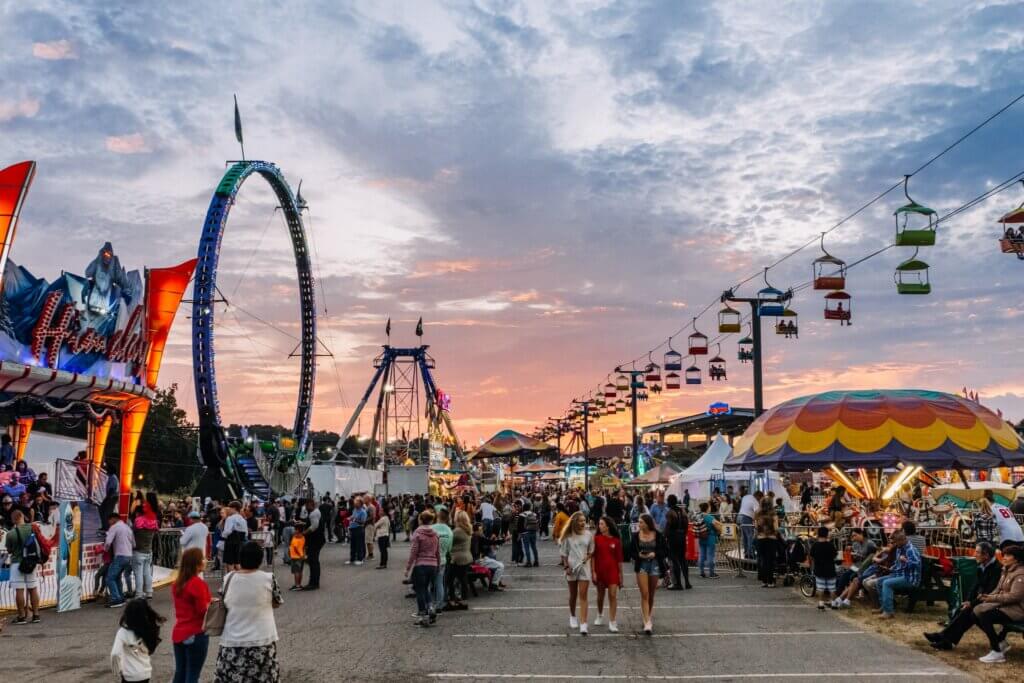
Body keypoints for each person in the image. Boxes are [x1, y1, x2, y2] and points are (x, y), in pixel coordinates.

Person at [214, 541, 282, 682]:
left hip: (232, 643)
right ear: (259, 558)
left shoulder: (228, 579)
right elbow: (276, 603)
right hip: (262, 642)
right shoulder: (269, 579)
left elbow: (225, 601)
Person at [924, 541, 1002, 650]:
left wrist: (972, 603)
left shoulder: (997, 569)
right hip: (983, 600)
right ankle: (947, 641)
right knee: (963, 609)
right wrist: (968, 601)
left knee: (967, 612)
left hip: (993, 601)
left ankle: (944, 638)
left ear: (986, 555)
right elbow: (975, 586)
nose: (974, 554)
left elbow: (989, 592)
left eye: (977, 552)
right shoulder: (982, 565)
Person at [171, 548, 212, 683]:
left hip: (179, 632)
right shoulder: (198, 584)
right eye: (203, 558)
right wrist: (210, 604)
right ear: (197, 563)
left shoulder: (177, 584)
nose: (205, 561)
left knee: (180, 672)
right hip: (196, 631)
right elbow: (202, 610)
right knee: (193, 674)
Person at [110, 598, 165, 683]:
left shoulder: (123, 632)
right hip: (145, 672)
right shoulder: (149, 628)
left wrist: (118, 669)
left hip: (130, 674)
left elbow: (115, 653)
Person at [632, 513, 668, 635]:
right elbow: (631, 551)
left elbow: (664, 550)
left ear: (647, 523)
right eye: (639, 521)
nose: (639, 524)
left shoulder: (658, 535)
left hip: (655, 564)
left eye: (641, 522)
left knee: (651, 594)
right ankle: (647, 621)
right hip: (641, 565)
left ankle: (648, 614)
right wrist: (639, 555)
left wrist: (655, 554)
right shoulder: (636, 536)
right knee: (645, 593)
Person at [4, 508, 41, 624]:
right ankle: (36, 615)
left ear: (13, 520)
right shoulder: (33, 528)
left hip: (17, 563)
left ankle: (21, 616)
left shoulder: (10, 534)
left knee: (19, 590)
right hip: (31, 561)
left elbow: (9, 551)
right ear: (22, 517)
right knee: (33, 588)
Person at [561, 511, 594, 635]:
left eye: (584, 521)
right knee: (573, 595)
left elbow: (591, 550)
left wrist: (588, 557)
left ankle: (583, 623)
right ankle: (572, 615)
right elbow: (564, 554)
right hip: (571, 567)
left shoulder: (589, 535)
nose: (582, 523)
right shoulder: (568, 536)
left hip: (584, 568)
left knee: (583, 595)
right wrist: (566, 566)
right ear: (574, 522)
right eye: (580, 521)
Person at [876, 530, 922, 619]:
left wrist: (905, 561)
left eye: (896, 542)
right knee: (879, 582)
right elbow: (898, 563)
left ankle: (889, 612)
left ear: (901, 540)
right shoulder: (899, 548)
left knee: (886, 583)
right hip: (900, 574)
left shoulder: (911, 550)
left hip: (910, 578)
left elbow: (916, 564)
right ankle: (884, 607)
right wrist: (892, 568)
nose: (894, 544)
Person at [406, 510, 440, 627]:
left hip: (421, 564)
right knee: (426, 588)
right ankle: (430, 607)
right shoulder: (435, 534)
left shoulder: (418, 533)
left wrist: (408, 568)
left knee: (420, 590)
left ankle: (423, 616)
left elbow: (414, 552)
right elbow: (437, 552)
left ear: (420, 519)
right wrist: (438, 565)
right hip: (433, 565)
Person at [591, 515, 623, 632]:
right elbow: (593, 557)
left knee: (613, 596)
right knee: (600, 596)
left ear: (608, 526)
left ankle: (612, 621)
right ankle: (599, 615)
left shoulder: (616, 541)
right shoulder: (596, 539)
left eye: (602, 524)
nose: (599, 526)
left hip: (613, 572)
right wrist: (593, 571)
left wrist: (621, 576)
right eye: (599, 524)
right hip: (600, 571)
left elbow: (619, 560)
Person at [132, 492, 160, 600]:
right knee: (147, 572)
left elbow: (134, 531)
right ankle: (149, 591)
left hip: (138, 550)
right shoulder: (154, 521)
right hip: (148, 550)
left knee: (138, 573)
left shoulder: (139, 521)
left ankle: (139, 593)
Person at [106, 512, 136, 608]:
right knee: (117, 577)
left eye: (109, 521)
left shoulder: (114, 527)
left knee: (110, 578)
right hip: (129, 556)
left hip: (120, 555)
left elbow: (108, 542)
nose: (109, 523)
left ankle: (116, 599)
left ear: (113, 519)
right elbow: (134, 544)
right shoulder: (128, 528)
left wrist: (105, 549)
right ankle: (121, 597)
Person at [447, 510, 473, 609]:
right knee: (463, 580)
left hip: (457, 559)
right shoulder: (468, 529)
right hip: (466, 557)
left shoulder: (457, 531)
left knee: (449, 579)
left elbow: (449, 543)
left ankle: (452, 600)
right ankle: (464, 601)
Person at [664, 494, 691, 590]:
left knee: (675, 560)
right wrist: (683, 534)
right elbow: (686, 525)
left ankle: (678, 584)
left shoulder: (670, 513)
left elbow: (668, 527)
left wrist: (665, 537)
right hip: (682, 537)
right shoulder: (682, 511)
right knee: (683, 560)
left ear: (669, 502)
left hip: (673, 538)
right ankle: (687, 582)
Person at [431, 507, 454, 613]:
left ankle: (428, 605)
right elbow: (450, 549)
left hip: (430, 559)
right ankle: (439, 605)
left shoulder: (432, 528)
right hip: (442, 560)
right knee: (439, 582)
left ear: (438, 516)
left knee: (428, 583)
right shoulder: (449, 531)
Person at [810, 526, 837, 610]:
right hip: (830, 569)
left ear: (818, 534)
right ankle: (833, 603)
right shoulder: (831, 545)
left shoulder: (815, 545)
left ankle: (821, 603)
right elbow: (835, 556)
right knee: (832, 588)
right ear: (827, 534)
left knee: (820, 587)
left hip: (819, 569)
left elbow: (812, 556)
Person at [754, 498, 778, 588]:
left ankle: (764, 581)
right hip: (771, 539)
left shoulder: (758, 514)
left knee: (762, 560)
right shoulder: (774, 515)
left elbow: (756, 527)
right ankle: (771, 581)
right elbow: (776, 528)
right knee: (770, 561)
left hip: (761, 538)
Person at [303, 498, 325, 590]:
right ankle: (313, 582)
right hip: (317, 540)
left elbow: (314, 527)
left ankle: (314, 583)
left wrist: (304, 533)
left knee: (313, 561)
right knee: (313, 561)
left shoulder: (313, 513)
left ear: (310, 504)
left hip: (316, 540)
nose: (305, 507)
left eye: (306, 505)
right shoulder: (315, 512)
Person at [696, 501, 721, 578]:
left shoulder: (699, 517)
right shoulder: (710, 517)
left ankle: (701, 572)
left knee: (702, 555)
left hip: (701, 538)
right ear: (707, 508)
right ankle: (711, 573)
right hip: (710, 538)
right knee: (711, 555)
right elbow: (717, 526)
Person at [221, 501, 248, 573]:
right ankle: (242, 577)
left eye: (230, 508)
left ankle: (231, 578)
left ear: (234, 508)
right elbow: (246, 533)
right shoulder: (242, 519)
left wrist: (223, 535)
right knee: (237, 562)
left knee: (230, 562)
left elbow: (227, 531)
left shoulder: (230, 518)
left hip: (230, 540)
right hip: (240, 541)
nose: (229, 509)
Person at [737, 487, 760, 560]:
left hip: (739, 517)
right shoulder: (755, 500)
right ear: (758, 496)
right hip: (746, 518)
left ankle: (746, 552)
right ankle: (750, 554)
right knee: (750, 536)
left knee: (745, 536)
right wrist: (756, 520)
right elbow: (757, 512)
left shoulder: (746, 497)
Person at [347, 496, 367, 565]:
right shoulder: (355, 510)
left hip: (359, 529)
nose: (355, 504)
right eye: (355, 502)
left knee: (359, 545)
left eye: (357, 503)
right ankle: (352, 559)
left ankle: (360, 559)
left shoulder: (363, 512)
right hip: (352, 528)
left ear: (361, 504)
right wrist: (349, 518)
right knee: (353, 545)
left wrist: (354, 520)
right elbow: (352, 516)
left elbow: (363, 522)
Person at [519, 502, 540, 568]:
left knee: (526, 547)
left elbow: (519, 525)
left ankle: (529, 562)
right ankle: (536, 561)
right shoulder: (534, 514)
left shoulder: (522, 514)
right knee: (534, 547)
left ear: (523, 507)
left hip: (525, 533)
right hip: (533, 532)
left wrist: (520, 534)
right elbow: (538, 521)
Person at [288, 524, 306, 590]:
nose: (294, 531)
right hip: (301, 556)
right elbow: (303, 547)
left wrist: (299, 554)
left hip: (296, 557)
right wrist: (303, 554)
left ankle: (297, 585)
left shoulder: (295, 538)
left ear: (298, 530)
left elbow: (295, 547)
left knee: (296, 571)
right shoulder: (303, 537)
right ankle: (299, 584)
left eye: (295, 529)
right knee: (300, 571)